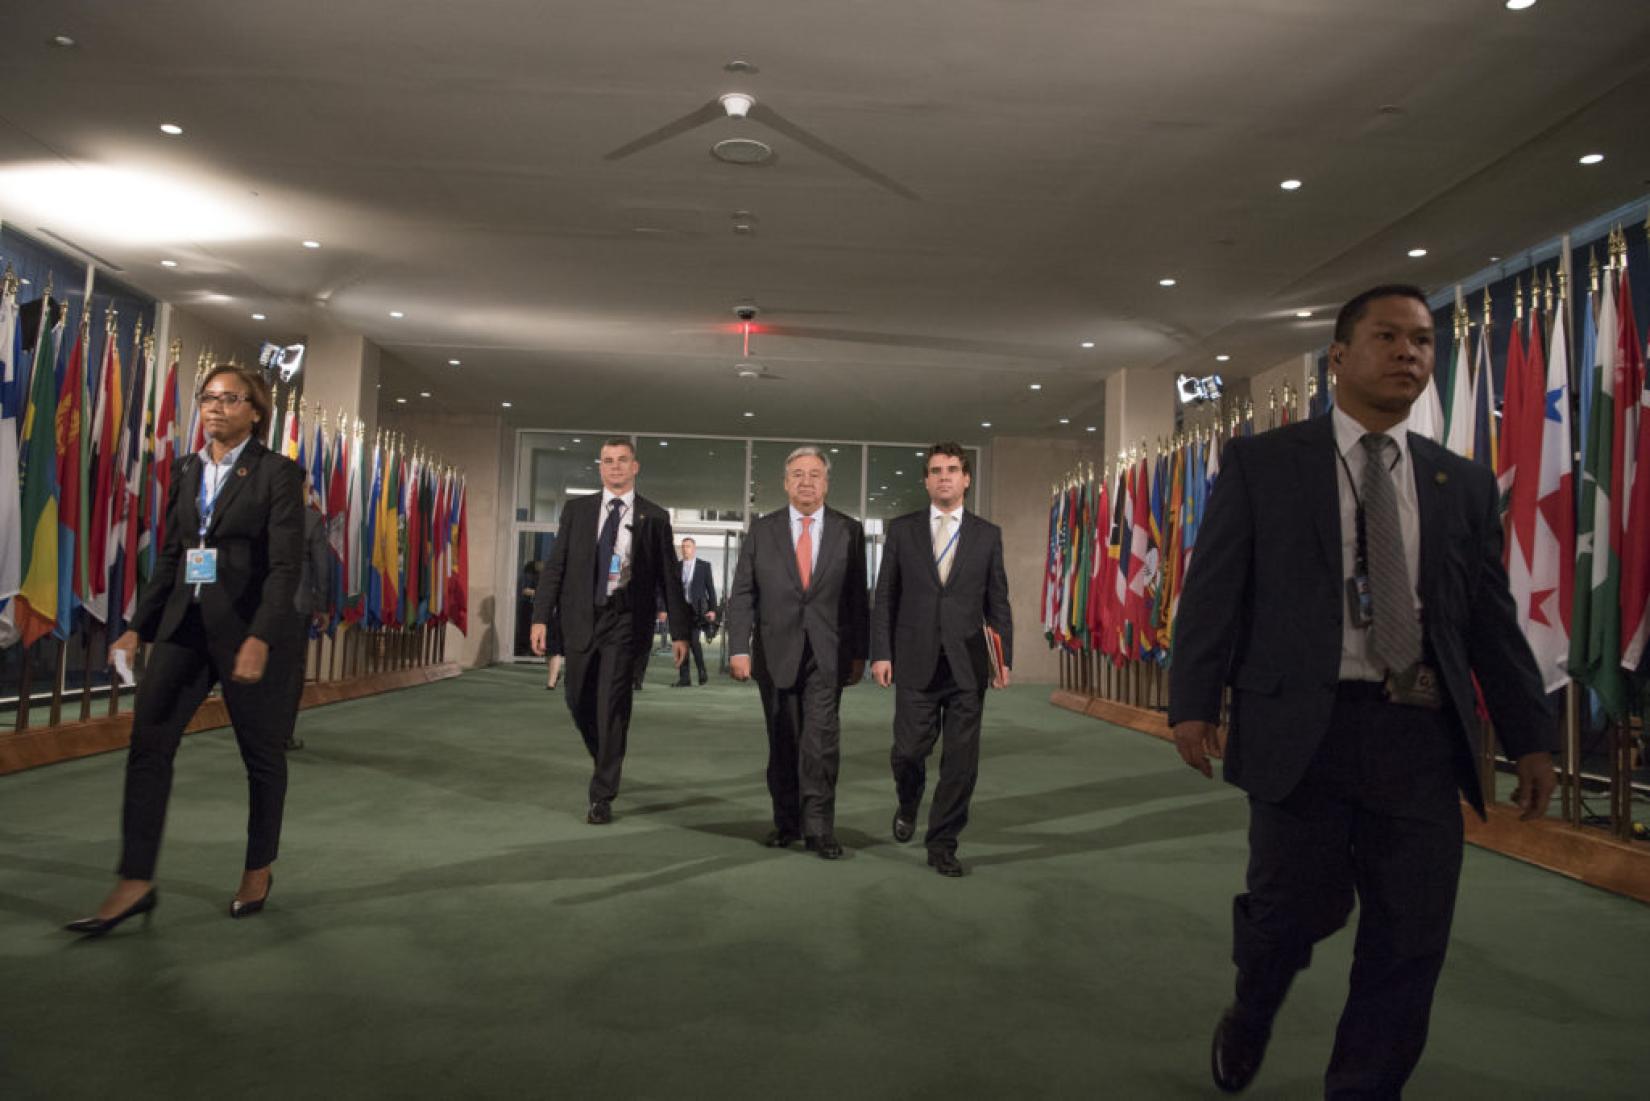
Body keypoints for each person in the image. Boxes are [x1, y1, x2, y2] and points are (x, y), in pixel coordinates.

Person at [1167, 284, 1557, 1098]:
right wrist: (1192, 701)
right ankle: (1254, 1004)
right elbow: (1214, 591)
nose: (1410, 352)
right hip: (1302, 731)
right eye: (1388, 336)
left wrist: (1531, 733)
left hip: (1418, 736)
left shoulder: (1462, 484)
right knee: (1291, 915)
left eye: (1422, 340)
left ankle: (1363, 1087)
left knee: (1411, 936)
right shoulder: (1264, 463)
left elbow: (1487, 618)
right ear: (1338, 358)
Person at [65, 365, 305, 935]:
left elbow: (284, 567)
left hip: (251, 634)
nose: (215, 407)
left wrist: (260, 637)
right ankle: (135, 880)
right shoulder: (185, 470)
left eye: (230, 398)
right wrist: (136, 627)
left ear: (256, 411)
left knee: (262, 758)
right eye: (208, 397)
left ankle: (257, 868)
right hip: (184, 627)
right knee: (148, 745)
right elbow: (173, 555)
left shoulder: (277, 474)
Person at [530, 438, 690, 824]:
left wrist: (681, 631)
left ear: (635, 467)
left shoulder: (654, 516)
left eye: (622, 461)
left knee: (611, 704)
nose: (615, 467)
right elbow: (556, 567)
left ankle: (602, 795)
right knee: (577, 698)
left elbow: (669, 577)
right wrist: (539, 617)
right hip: (582, 619)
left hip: (625, 620)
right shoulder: (577, 510)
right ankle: (606, 754)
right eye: (608, 461)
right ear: (600, 467)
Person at [870, 443, 1012, 877]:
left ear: (966, 478)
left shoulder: (988, 534)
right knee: (908, 751)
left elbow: (998, 601)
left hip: (968, 663)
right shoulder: (902, 530)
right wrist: (881, 653)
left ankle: (943, 844)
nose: (944, 477)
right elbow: (885, 597)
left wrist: (1004, 656)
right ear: (926, 481)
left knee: (961, 761)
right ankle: (908, 800)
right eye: (935, 471)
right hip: (914, 659)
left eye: (952, 469)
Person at [726, 446, 868, 859]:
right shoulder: (763, 530)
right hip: (775, 652)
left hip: (827, 653)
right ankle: (786, 821)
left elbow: (858, 598)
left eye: (815, 474)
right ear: (786, 483)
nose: (807, 481)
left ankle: (820, 828)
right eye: (798, 475)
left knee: (820, 742)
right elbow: (743, 593)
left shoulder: (848, 530)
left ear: (826, 482)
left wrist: (859, 652)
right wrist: (738, 647)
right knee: (784, 741)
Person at [280, 505, 332, 751]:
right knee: (291, 672)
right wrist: (322, 606)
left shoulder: (266, 512)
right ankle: (283, 734)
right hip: (298, 605)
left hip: (264, 604)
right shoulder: (311, 519)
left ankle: (260, 732)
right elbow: (322, 567)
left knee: (266, 668)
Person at [672, 537, 717, 687]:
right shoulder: (676, 566)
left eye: (688, 546)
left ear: (694, 548)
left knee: (694, 642)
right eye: (683, 546)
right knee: (681, 642)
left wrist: (713, 610)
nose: (685, 549)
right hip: (680, 611)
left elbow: (710, 589)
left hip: (697, 610)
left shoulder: (704, 566)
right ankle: (684, 678)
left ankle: (702, 672)